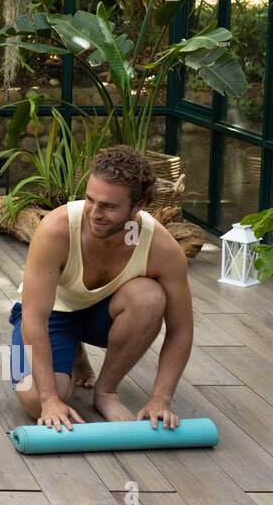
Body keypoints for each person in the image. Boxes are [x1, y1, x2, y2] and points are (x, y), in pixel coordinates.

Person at [10, 145, 193, 431]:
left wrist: (160, 399)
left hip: (103, 316)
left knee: (150, 297)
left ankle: (106, 391)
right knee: (35, 401)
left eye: (109, 206)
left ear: (139, 205)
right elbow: (34, 319)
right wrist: (49, 399)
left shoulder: (162, 248)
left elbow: (181, 329)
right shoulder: (56, 229)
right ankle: (72, 354)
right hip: (49, 316)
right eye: (90, 200)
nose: (95, 213)